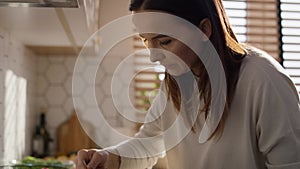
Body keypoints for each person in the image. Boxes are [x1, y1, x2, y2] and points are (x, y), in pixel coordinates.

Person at [75, 0, 300, 168]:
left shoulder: (263, 80)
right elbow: (149, 142)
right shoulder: (176, 81)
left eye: (165, 41)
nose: (153, 56)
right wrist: (107, 157)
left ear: (203, 29)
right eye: (146, 41)